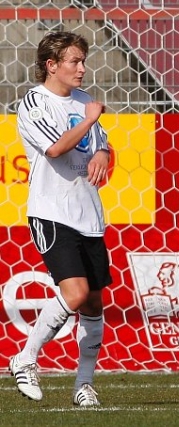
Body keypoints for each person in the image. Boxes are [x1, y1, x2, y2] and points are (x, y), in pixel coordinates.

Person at [11, 32, 112, 407]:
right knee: (76, 293)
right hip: (51, 211)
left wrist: (102, 150)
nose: (83, 69)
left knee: (93, 305)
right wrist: (89, 124)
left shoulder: (85, 102)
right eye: (74, 61)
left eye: (83, 60)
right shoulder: (35, 103)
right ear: (51, 65)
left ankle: (83, 385)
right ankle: (25, 358)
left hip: (89, 214)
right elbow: (55, 149)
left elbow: (98, 141)